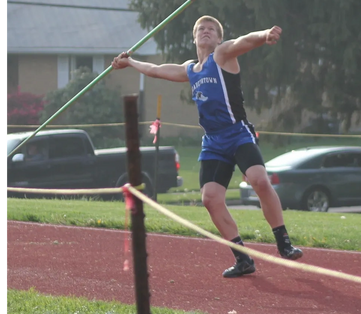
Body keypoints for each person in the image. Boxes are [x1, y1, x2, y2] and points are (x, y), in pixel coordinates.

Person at [112, 15, 303, 278]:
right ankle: (243, 259)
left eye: (212, 29)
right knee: (210, 199)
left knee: (258, 179)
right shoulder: (189, 70)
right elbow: (156, 70)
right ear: (194, 37)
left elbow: (244, 41)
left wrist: (264, 34)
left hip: (237, 133)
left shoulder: (223, 55)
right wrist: (130, 62)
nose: (206, 31)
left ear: (219, 38)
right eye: (201, 28)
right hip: (213, 141)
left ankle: (283, 243)